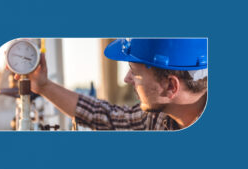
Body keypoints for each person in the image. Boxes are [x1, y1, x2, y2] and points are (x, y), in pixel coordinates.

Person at [14, 38, 208, 130]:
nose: (127, 79)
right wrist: (42, 85)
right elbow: (106, 116)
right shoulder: (158, 118)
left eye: (134, 71)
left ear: (171, 87)